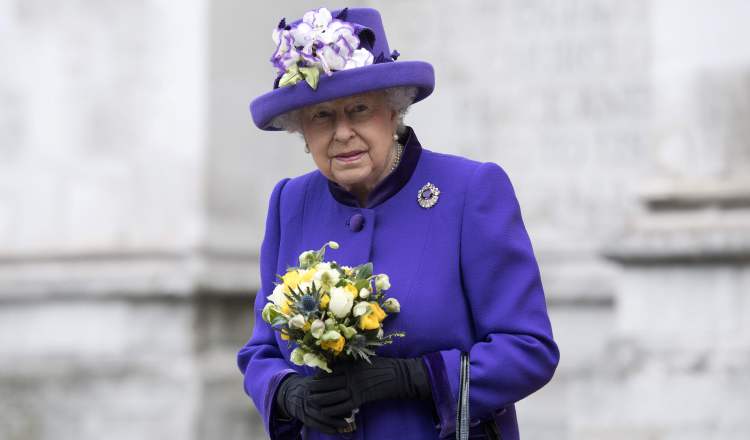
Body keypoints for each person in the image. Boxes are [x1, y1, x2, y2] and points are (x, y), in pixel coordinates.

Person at [237, 7, 559, 440]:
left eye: (359, 109)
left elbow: (528, 349)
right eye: (322, 116)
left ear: (393, 111)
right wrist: (288, 392)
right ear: (302, 131)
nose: (343, 132)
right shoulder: (289, 201)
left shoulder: (470, 190)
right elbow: (260, 351)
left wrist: (417, 377)